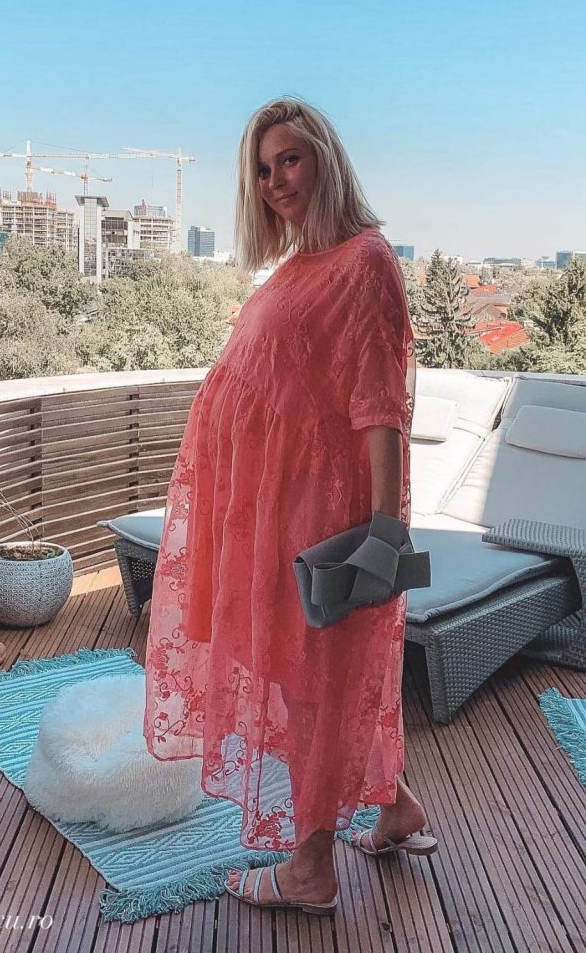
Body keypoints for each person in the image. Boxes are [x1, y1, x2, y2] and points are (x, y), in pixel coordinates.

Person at [142, 97, 437, 915]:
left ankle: (309, 868)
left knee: (310, 683)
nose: (275, 180)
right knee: (311, 675)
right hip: (267, 509)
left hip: (316, 509)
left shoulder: (363, 260)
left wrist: (385, 531)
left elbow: (379, 408)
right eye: (262, 168)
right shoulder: (299, 265)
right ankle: (394, 808)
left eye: (290, 160)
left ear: (325, 160)